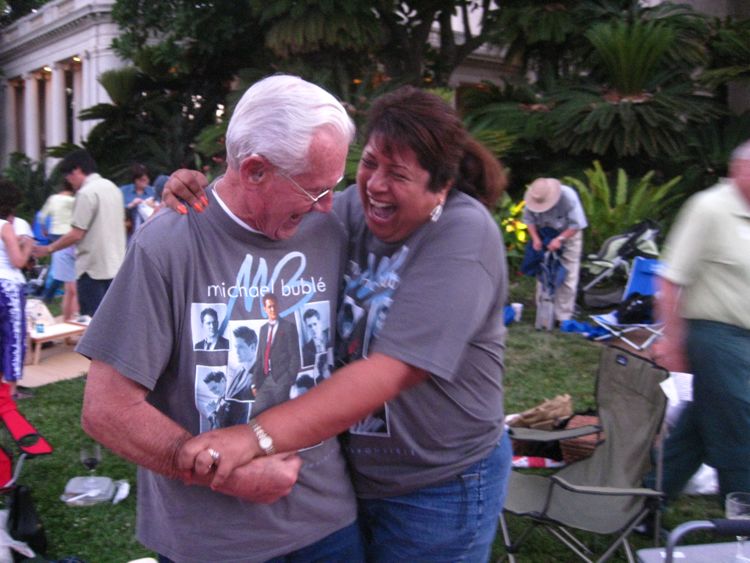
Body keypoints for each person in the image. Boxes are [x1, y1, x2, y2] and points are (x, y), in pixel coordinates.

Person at [169, 86, 511, 562]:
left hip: (439, 484)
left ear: (441, 187)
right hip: (354, 479)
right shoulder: (349, 211)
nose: (374, 184)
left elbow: (393, 370)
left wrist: (254, 437)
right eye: (370, 163)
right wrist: (209, 192)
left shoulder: (463, 235)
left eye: (399, 174)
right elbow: (266, 211)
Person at [77, 75, 363, 562]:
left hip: (327, 529)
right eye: (315, 190)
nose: (328, 204)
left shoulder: (329, 227)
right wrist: (216, 469)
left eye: (333, 185)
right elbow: (106, 410)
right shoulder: (168, 244)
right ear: (253, 170)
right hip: (211, 545)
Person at [652, 140, 750, 501]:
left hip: (744, 338)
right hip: (714, 335)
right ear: (740, 169)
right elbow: (670, 278)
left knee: (696, 427)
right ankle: (743, 518)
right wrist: (672, 341)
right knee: (740, 426)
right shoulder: (709, 208)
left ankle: (645, 503)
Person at [33, 150, 126, 318]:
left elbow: (77, 233)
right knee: (113, 321)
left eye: (68, 177)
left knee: (92, 323)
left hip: (92, 270)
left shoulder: (86, 193)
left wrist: (48, 249)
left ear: (76, 170)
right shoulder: (113, 189)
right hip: (116, 266)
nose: (69, 182)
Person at [522, 177, 587, 324]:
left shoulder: (568, 197)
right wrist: (536, 239)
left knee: (568, 273)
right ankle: (543, 311)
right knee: (543, 270)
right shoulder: (532, 197)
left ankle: (563, 316)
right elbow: (529, 220)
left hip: (569, 234)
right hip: (544, 232)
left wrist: (560, 239)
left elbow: (576, 225)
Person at [0, 179, 35, 398]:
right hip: (8, 287)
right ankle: (11, 391)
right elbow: (18, 262)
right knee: (13, 337)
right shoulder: (6, 227)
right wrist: (27, 244)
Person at [253, 293, 301, 415]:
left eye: (274, 306)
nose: (273, 309)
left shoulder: (289, 327)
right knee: (255, 414)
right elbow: (259, 358)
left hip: (282, 380)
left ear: (278, 306)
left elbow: (295, 356)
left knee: (280, 416)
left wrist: (289, 379)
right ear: (265, 309)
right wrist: (255, 383)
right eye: (269, 307)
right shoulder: (263, 330)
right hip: (265, 380)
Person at [39, 183, 79, 320]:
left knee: (68, 289)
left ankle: (67, 323)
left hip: (56, 242)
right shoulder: (74, 201)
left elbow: (42, 217)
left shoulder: (53, 199)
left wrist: (44, 230)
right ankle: (75, 325)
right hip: (71, 241)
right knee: (75, 289)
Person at [120, 163, 156, 238]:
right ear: (135, 180)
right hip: (128, 234)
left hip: (148, 233)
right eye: (142, 180)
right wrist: (131, 205)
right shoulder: (124, 191)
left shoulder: (153, 192)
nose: (145, 182)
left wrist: (153, 205)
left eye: (147, 180)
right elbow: (115, 209)